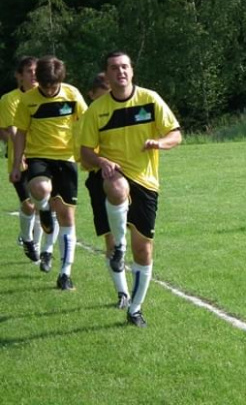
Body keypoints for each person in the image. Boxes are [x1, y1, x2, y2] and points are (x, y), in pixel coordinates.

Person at [80, 51, 182, 327]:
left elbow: (176, 133)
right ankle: (118, 246)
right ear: (107, 74)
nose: (120, 72)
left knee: (144, 251)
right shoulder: (96, 111)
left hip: (147, 182)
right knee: (116, 187)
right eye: (114, 68)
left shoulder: (150, 100)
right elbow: (85, 152)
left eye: (124, 67)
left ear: (132, 71)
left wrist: (160, 143)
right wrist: (101, 161)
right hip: (115, 174)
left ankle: (135, 309)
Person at [10, 56, 87, 288]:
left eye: (54, 86)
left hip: (66, 159)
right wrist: (16, 164)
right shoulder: (28, 100)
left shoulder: (72, 95)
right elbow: (21, 132)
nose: (49, 90)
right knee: (40, 189)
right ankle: (43, 209)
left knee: (66, 216)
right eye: (45, 86)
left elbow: (87, 122)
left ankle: (65, 273)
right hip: (39, 157)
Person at [81, 72, 131, 309]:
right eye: (101, 97)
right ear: (91, 96)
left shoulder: (122, 112)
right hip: (99, 182)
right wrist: (101, 161)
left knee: (138, 236)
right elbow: (84, 158)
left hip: (130, 177)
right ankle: (122, 293)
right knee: (111, 240)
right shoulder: (87, 119)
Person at [0, 56, 45, 262]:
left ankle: (36, 244)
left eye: (37, 70)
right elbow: (11, 129)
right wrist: (20, 154)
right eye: (29, 71)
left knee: (42, 201)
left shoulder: (46, 96)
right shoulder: (10, 99)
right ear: (19, 76)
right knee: (28, 204)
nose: (34, 74)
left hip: (43, 157)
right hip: (21, 159)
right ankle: (27, 239)